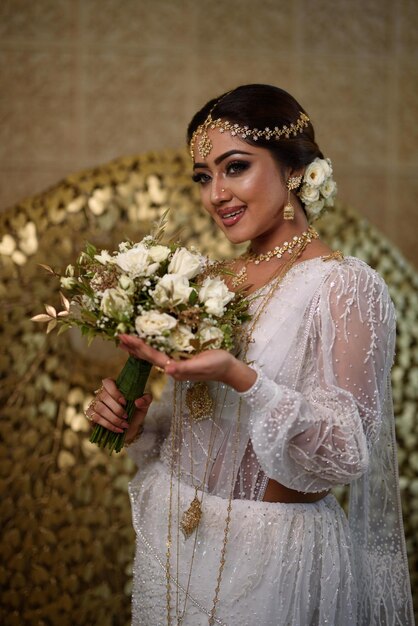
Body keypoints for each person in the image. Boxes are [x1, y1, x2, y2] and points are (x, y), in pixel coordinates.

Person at [86, 85, 414, 626]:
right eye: (202, 176)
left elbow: (342, 455)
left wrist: (244, 378)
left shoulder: (345, 286)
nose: (216, 194)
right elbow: (197, 429)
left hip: (272, 560)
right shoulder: (208, 282)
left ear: (293, 171)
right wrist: (138, 426)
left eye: (234, 167)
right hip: (175, 538)